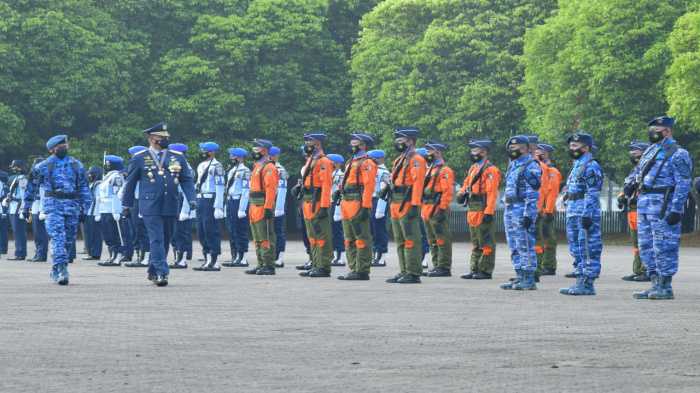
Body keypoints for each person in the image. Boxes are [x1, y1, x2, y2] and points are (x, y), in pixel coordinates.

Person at [122, 122, 197, 287]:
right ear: (151, 138)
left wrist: (191, 198)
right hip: (150, 205)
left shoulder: (177, 157)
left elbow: (186, 180)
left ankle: (153, 270)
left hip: (170, 203)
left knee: (165, 239)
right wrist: (126, 205)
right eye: (161, 137)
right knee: (156, 238)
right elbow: (130, 183)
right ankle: (163, 272)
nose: (165, 139)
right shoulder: (140, 157)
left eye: (166, 136)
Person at [632, 116, 692, 300]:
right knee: (646, 245)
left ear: (667, 131)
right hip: (645, 202)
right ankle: (654, 283)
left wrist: (676, 209)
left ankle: (665, 286)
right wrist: (630, 187)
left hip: (663, 204)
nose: (652, 134)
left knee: (663, 245)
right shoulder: (651, 150)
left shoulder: (678, 153)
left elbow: (683, 182)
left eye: (655, 130)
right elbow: (638, 172)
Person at [23, 135, 91, 285]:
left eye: (65, 144)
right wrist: (26, 206)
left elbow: (84, 188)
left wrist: (85, 208)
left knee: (68, 240)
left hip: (72, 206)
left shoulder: (76, 165)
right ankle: (61, 269)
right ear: (52, 149)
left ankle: (57, 267)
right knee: (58, 238)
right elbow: (31, 187)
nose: (64, 147)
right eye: (60, 145)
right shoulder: (43, 166)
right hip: (53, 206)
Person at [559, 132, 604, 296]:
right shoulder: (577, 164)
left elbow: (592, 193)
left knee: (587, 247)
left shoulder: (591, 165)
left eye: (576, 146)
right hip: (573, 211)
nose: (572, 149)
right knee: (576, 248)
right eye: (571, 146)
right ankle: (580, 279)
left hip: (585, 212)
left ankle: (587, 282)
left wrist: (587, 214)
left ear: (586, 148)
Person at [500, 135, 542, 291]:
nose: (512, 150)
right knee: (514, 245)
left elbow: (532, 193)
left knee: (525, 244)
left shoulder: (531, 166)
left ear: (525, 148)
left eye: (515, 148)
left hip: (521, 209)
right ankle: (520, 275)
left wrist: (528, 215)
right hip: (510, 208)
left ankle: (529, 278)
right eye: (510, 148)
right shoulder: (514, 165)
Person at [385, 127, 427, 284]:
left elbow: (417, 183)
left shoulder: (417, 159)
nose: (398, 143)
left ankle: (413, 272)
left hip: (407, 202)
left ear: (410, 141)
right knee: (400, 239)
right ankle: (404, 270)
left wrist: (415, 205)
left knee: (411, 239)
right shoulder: (400, 159)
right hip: (396, 201)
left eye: (401, 140)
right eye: (397, 140)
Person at [337, 133, 377, 281]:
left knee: (361, 238)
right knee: (349, 239)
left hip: (357, 203)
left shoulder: (367, 163)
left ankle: (362, 270)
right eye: (351, 142)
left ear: (363, 145)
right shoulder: (351, 161)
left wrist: (366, 207)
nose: (351, 144)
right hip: (346, 202)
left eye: (355, 142)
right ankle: (353, 268)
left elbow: (368, 186)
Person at [298, 132, 334, 278]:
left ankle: (324, 266)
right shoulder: (311, 160)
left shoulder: (324, 161)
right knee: (312, 236)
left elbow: (326, 185)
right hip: (308, 201)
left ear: (317, 143)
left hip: (317, 202)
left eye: (310, 142)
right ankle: (315, 263)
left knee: (321, 235)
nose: (307, 144)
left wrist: (325, 206)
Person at [244, 139, 279, 275]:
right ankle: (261, 263)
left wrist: (268, 208)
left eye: (256, 148)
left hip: (263, 205)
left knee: (266, 237)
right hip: (254, 205)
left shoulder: (269, 167)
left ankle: (269, 265)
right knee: (257, 237)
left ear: (264, 150)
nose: (254, 151)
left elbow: (271, 189)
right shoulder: (257, 165)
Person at [421, 141, 455, 277]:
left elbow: (447, 192)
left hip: (437, 207)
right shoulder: (430, 169)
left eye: (430, 152)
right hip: (427, 207)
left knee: (442, 238)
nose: (427, 154)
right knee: (432, 239)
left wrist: (442, 208)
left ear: (438, 153)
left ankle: (444, 266)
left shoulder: (444, 170)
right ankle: (436, 265)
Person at [619, 141, 650, 282]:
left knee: (645, 242)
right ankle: (638, 269)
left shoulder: (648, 168)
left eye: (636, 151)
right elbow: (628, 186)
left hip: (643, 208)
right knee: (636, 243)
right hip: (632, 209)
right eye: (631, 151)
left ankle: (646, 270)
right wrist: (621, 197)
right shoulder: (635, 170)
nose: (633, 153)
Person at [193, 142, 225, 271]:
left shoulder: (217, 166)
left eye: (204, 150)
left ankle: (214, 260)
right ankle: (207, 259)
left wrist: (218, 206)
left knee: (211, 230)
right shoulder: (201, 165)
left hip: (210, 200)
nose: (202, 152)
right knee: (201, 231)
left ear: (211, 152)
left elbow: (220, 187)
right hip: (201, 199)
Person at [95, 155, 130, 267]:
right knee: (108, 235)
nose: (106, 166)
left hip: (112, 210)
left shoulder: (116, 177)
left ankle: (117, 256)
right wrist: (98, 212)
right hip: (104, 210)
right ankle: (112, 256)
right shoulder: (107, 177)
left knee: (115, 234)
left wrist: (116, 210)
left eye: (108, 164)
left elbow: (116, 195)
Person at [534, 143, 562, 276]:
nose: (537, 154)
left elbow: (552, 193)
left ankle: (549, 265)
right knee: (538, 238)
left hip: (546, 209)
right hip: (538, 208)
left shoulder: (552, 171)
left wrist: (549, 210)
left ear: (546, 154)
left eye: (539, 152)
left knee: (547, 237)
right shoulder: (537, 169)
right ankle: (541, 264)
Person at [223, 147, 251, 267]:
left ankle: (243, 257)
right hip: (230, 201)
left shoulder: (245, 171)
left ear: (240, 158)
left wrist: (242, 208)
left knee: (240, 230)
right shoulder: (232, 170)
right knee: (232, 229)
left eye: (233, 156)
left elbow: (246, 190)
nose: (231, 158)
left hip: (239, 201)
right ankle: (235, 256)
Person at [169, 143, 195, 269]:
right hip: (174, 200)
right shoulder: (174, 166)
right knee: (174, 233)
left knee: (181, 232)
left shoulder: (187, 169)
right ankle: (176, 258)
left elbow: (188, 191)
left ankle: (182, 259)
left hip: (182, 201)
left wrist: (185, 210)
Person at [125, 146, 150, 267]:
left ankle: (147, 256)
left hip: (142, 201)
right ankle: (140, 256)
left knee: (143, 229)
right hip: (135, 201)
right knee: (136, 230)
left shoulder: (144, 168)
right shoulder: (134, 167)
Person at [368, 150, 390, 267]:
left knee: (379, 230)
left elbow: (384, 191)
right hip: (371, 200)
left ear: (378, 159)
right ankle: (374, 253)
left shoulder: (383, 172)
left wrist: (381, 208)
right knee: (372, 230)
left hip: (379, 201)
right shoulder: (373, 170)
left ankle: (380, 256)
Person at [4, 160, 28, 260]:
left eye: (15, 167)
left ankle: (20, 253)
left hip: (18, 207)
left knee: (19, 231)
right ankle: (19, 252)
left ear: (19, 167)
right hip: (13, 207)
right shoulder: (17, 178)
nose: (13, 169)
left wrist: (23, 208)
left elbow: (23, 195)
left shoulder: (22, 178)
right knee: (16, 231)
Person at [270, 146, 288, 268]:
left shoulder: (280, 170)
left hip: (277, 203)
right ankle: (271, 255)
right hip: (269, 203)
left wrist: (279, 208)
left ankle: (279, 257)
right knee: (269, 231)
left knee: (278, 231)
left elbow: (282, 190)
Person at [27, 157, 48, 262]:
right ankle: (38, 253)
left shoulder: (45, 179)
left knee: (41, 233)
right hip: (35, 207)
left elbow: (45, 195)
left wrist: (43, 210)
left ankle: (42, 254)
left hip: (41, 208)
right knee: (36, 233)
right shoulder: (35, 179)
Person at [328, 153, 346, 267]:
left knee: (338, 231)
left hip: (337, 204)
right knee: (332, 231)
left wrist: (338, 209)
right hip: (330, 203)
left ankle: (341, 256)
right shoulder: (330, 174)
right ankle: (335, 255)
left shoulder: (341, 176)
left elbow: (341, 193)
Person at [82, 167, 103, 261]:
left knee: (96, 235)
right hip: (88, 212)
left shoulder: (98, 185)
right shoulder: (90, 184)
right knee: (88, 234)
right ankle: (90, 252)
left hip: (95, 212)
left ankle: (96, 253)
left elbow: (98, 200)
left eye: (91, 174)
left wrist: (98, 213)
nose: (89, 175)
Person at [0, 170, 10, 257]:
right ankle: (3, 249)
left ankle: (2, 249)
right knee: (3, 230)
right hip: (4, 208)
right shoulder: (4, 182)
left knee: (3, 230)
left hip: (2, 207)